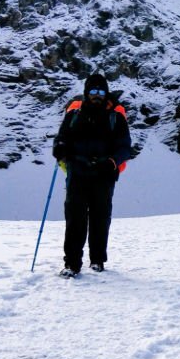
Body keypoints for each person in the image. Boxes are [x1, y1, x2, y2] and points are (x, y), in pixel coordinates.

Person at [51, 73, 131, 277]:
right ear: (87, 92)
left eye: (101, 91)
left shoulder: (116, 116)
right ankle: (72, 264)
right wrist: (59, 146)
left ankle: (97, 260)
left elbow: (124, 147)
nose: (97, 95)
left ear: (106, 93)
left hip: (104, 173)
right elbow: (63, 136)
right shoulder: (75, 113)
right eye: (93, 91)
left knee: (100, 218)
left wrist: (112, 162)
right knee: (75, 218)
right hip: (77, 170)